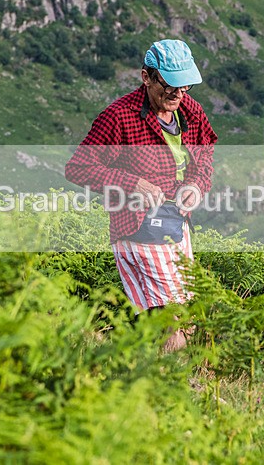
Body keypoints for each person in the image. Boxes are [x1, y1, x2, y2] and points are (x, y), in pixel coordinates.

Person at [66, 39, 217, 351]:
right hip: (137, 227)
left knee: (182, 314)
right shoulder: (119, 117)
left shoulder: (188, 109)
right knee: (173, 314)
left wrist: (197, 185)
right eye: (171, 85)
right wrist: (130, 182)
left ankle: (158, 384)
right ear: (147, 77)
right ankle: (178, 387)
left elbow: (204, 154)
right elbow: (78, 168)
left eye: (185, 85)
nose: (178, 94)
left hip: (176, 223)